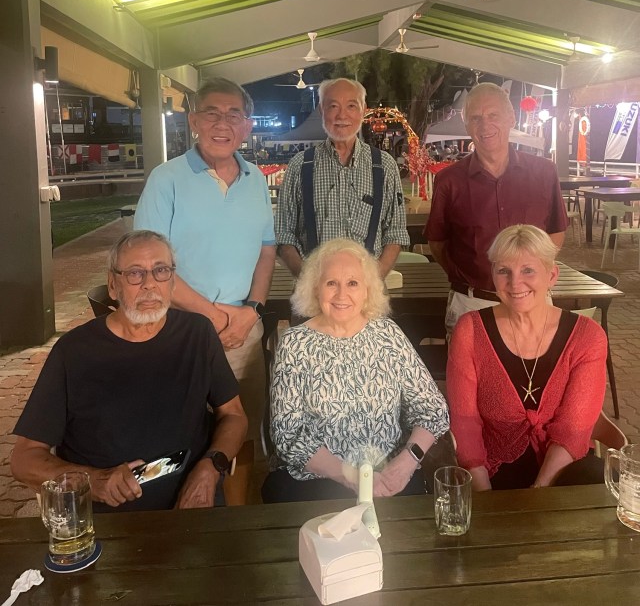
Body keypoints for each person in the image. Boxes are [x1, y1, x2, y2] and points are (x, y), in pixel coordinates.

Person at [11, 230, 247, 512]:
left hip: (192, 502)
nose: (150, 284)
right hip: (108, 516)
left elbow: (234, 415)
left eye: (161, 270)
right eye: (135, 273)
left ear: (173, 281)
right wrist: (93, 481)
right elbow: (24, 459)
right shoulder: (74, 351)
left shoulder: (198, 334)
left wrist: (211, 467)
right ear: (113, 286)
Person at [133, 77, 275, 504]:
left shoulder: (255, 179)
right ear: (194, 121)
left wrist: (252, 309)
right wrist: (214, 316)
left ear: (247, 126)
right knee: (177, 434)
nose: (222, 123)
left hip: (242, 330)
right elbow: (149, 265)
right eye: (211, 113)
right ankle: (179, 521)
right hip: (178, 330)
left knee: (241, 430)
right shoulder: (167, 179)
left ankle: (235, 521)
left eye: (234, 114)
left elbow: (267, 249)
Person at [262, 238, 449, 503]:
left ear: (367, 290)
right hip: (318, 481)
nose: (342, 295)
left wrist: (406, 464)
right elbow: (288, 433)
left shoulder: (388, 334)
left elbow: (433, 410)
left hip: (390, 478)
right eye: (331, 283)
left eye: (352, 283)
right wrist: (352, 477)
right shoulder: (295, 344)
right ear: (315, 288)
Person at [446, 225, 607, 491]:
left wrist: (538, 494)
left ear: (551, 275)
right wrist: (486, 497)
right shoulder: (470, 330)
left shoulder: (587, 336)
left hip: (563, 467)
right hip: (491, 469)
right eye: (504, 271)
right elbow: (465, 421)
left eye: (528, 270)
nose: (515, 283)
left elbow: (573, 429)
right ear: (493, 275)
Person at [426, 82, 568, 335]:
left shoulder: (544, 172)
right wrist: (466, 277)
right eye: (475, 118)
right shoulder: (449, 181)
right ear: (466, 125)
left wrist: (532, 274)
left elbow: (556, 231)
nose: (485, 125)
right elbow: (437, 242)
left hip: (533, 301)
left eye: (493, 115)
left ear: (511, 118)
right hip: (472, 304)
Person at [275, 78, 409, 278]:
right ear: (321, 110)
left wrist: (372, 281)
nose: (342, 115)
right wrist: (308, 281)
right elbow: (284, 234)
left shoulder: (384, 165)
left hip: (367, 291)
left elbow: (395, 233)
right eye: (333, 106)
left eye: (351, 106)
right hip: (313, 289)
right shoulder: (300, 165)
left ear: (363, 111)